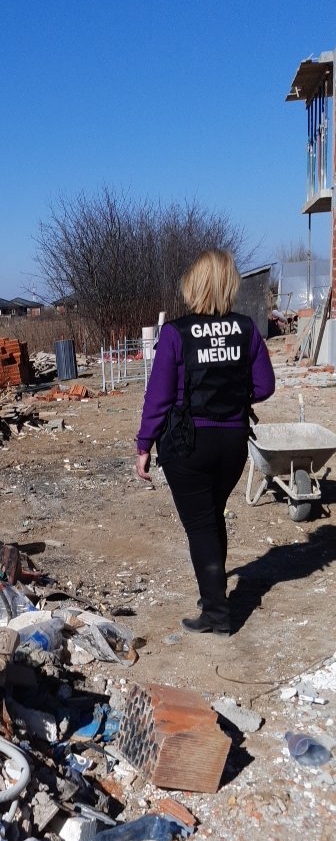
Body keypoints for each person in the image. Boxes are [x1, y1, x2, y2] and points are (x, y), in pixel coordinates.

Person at [135, 249, 275, 636]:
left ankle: (216, 613)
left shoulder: (176, 333)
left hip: (188, 443)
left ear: (193, 286)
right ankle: (213, 596)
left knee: (200, 525)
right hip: (232, 441)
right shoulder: (246, 329)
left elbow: (158, 397)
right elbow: (265, 385)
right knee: (212, 516)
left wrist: (144, 445)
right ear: (229, 285)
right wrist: (234, 396)